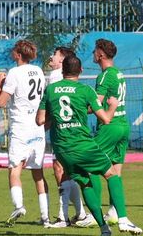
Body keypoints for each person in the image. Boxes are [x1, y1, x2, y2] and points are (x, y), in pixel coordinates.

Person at [37, 51, 123, 236]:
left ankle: (103, 228)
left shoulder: (51, 90)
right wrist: (113, 105)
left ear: (63, 71)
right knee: (111, 174)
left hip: (62, 148)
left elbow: (40, 120)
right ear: (81, 70)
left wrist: (58, 116)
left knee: (85, 183)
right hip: (82, 144)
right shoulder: (85, 91)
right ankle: (123, 219)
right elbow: (106, 119)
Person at [0, 39, 50, 226]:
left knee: (14, 169)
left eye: (14, 51)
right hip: (38, 125)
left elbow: (2, 102)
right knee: (38, 173)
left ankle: (18, 205)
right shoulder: (39, 72)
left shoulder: (14, 73)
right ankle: (45, 217)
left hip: (20, 126)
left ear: (19, 54)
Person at [91, 38, 143, 233]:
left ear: (101, 54)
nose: (93, 54)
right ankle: (116, 213)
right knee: (115, 172)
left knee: (90, 168)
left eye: (95, 51)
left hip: (109, 127)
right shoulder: (119, 73)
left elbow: (97, 104)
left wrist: (78, 106)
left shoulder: (104, 76)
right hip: (123, 125)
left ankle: (92, 215)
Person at [46, 46, 93, 228]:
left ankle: (67, 215)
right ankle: (79, 213)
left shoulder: (57, 77)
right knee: (67, 171)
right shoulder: (59, 76)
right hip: (67, 132)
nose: (51, 56)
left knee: (62, 170)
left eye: (55, 54)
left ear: (62, 60)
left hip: (63, 134)